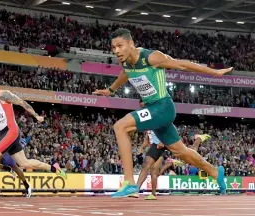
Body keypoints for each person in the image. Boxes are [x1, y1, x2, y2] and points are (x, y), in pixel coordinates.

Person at [93, 28, 231, 198]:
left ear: (131, 43)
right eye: (113, 48)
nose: (116, 51)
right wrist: (111, 89)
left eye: (120, 46)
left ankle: (129, 182)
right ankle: (215, 171)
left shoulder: (152, 57)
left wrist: (213, 72)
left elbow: (182, 64)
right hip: (153, 111)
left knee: (120, 127)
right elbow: (125, 73)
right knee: (180, 152)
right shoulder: (125, 62)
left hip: (163, 107)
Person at [0, 77, 67, 200]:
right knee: (24, 163)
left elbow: (22, 102)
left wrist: (36, 116)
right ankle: (55, 168)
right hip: (5, 133)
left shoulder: (2, 94)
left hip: (11, 131)